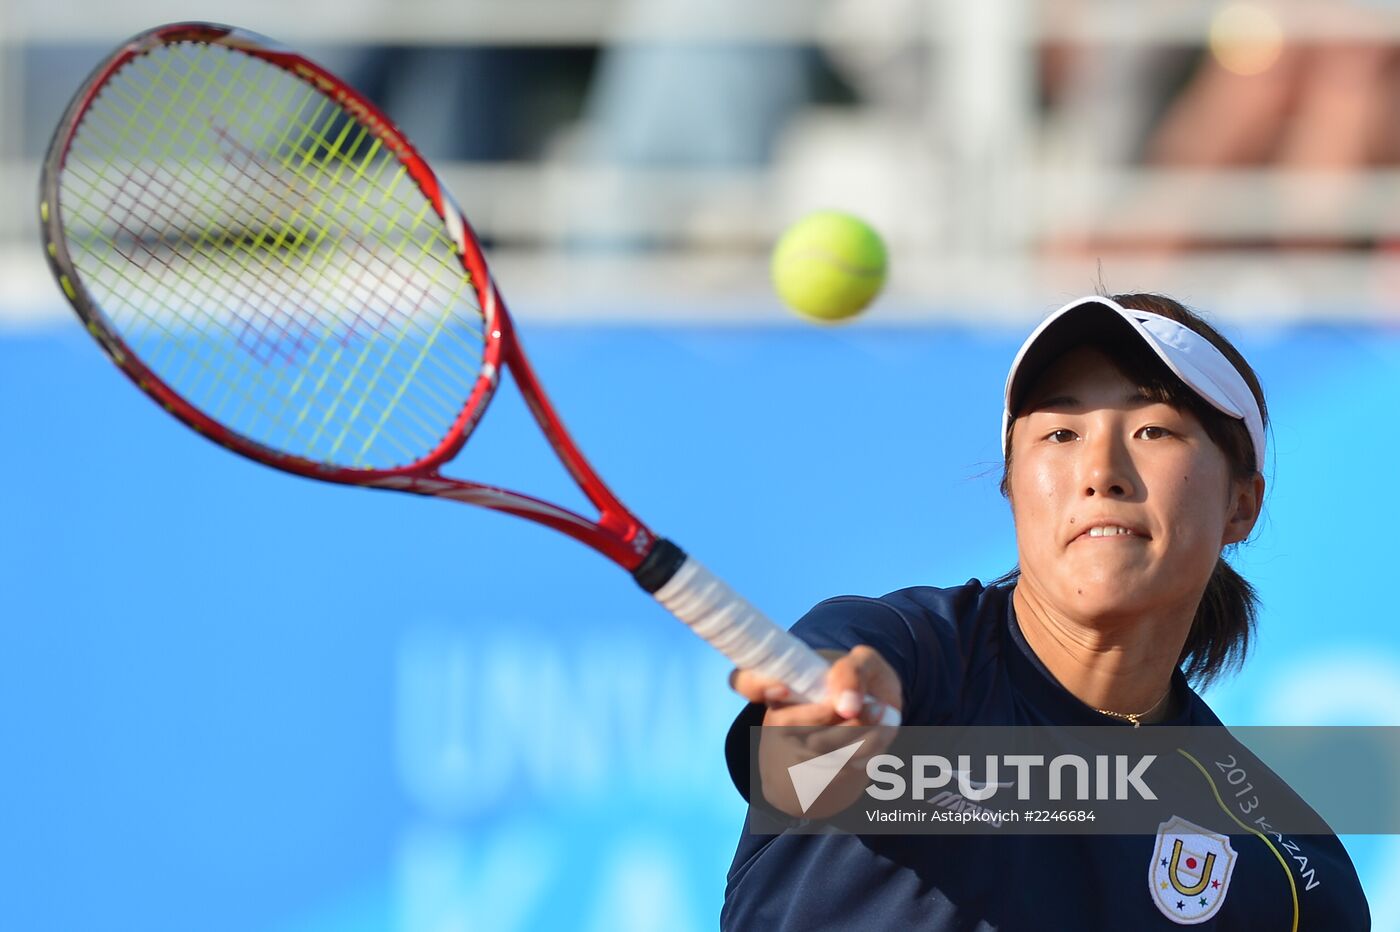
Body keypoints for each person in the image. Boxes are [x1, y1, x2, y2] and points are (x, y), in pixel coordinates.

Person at [722, 294, 1371, 929]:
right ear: (1012, 486)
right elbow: (800, 760)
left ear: (1241, 506)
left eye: (1153, 430)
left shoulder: (1292, 874)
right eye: (1061, 432)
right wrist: (828, 725)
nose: (1101, 471)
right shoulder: (902, 649)